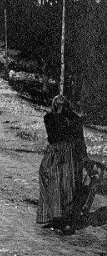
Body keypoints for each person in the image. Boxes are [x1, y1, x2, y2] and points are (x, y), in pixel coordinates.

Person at [37, 95, 89, 230]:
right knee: (54, 180)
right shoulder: (51, 118)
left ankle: (63, 218)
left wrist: (84, 157)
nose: (60, 108)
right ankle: (55, 216)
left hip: (67, 153)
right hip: (58, 152)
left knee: (65, 184)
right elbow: (53, 136)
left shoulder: (71, 119)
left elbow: (79, 140)